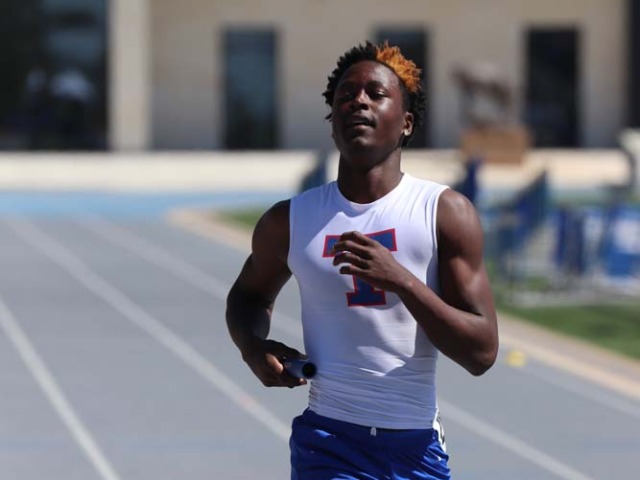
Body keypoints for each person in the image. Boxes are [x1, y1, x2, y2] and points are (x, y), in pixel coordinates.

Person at [226, 41, 499, 480]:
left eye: (376, 93)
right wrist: (253, 348)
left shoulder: (444, 213)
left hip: (415, 447)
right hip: (328, 442)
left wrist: (402, 281)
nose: (359, 102)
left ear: (406, 122)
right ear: (332, 122)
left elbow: (481, 353)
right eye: (346, 95)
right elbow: (247, 297)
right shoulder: (291, 220)